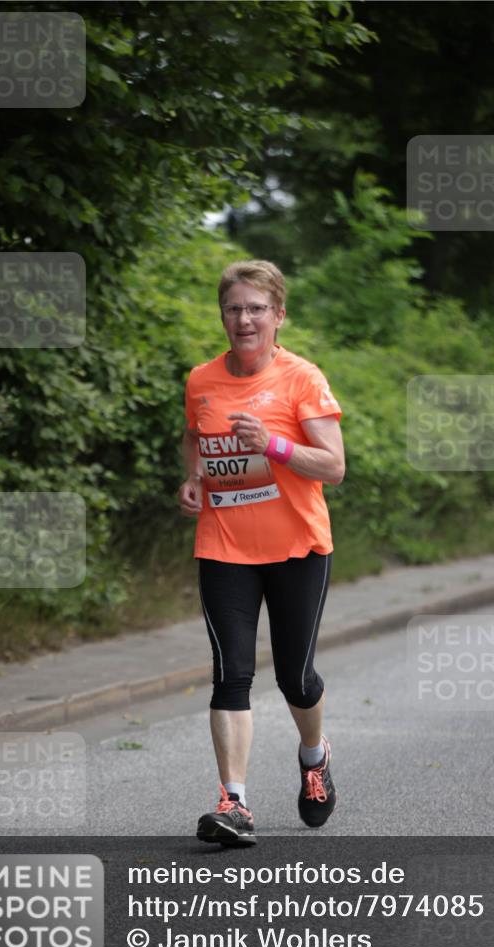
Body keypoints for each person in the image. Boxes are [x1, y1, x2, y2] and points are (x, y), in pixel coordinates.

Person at [178, 259, 345, 846]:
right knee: (231, 674)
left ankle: (314, 756)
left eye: (256, 309)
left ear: (278, 316)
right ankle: (234, 803)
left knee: (296, 678)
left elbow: (334, 466)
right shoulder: (202, 379)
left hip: (297, 548)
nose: (244, 319)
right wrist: (193, 478)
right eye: (234, 309)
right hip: (225, 547)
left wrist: (272, 444)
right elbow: (194, 437)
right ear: (222, 315)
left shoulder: (302, 378)